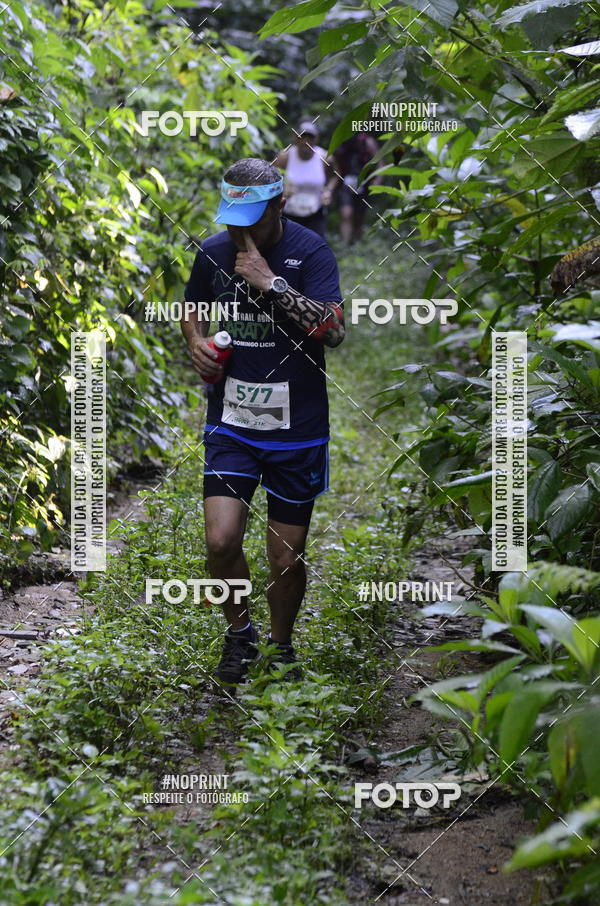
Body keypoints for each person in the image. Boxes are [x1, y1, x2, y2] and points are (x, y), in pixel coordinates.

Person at [181, 158, 345, 687]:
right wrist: (197, 345)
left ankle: (280, 646)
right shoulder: (214, 250)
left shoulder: (310, 251)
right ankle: (239, 636)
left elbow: (334, 331)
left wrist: (271, 284)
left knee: (285, 555)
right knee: (221, 541)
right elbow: (192, 307)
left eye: (253, 218)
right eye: (234, 219)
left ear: (279, 206)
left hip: (297, 428)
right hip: (232, 421)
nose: (241, 231)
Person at [274, 120, 338, 238]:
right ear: (295, 138)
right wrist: (281, 189)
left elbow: (336, 176)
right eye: (302, 137)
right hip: (289, 213)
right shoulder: (285, 156)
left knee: (316, 246)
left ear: (316, 139)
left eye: (310, 138)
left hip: (316, 212)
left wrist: (328, 191)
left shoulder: (325, 157)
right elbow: (271, 177)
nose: (306, 142)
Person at [333, 131, 380, 244]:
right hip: (346, 184)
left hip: (364, 184)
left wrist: (377, 180)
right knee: (346, 214)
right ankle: (345, 244)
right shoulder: (342, 142)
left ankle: (357, 244)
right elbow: (336, 163)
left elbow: (380, 162)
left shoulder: (367, 142)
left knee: (359, 216)